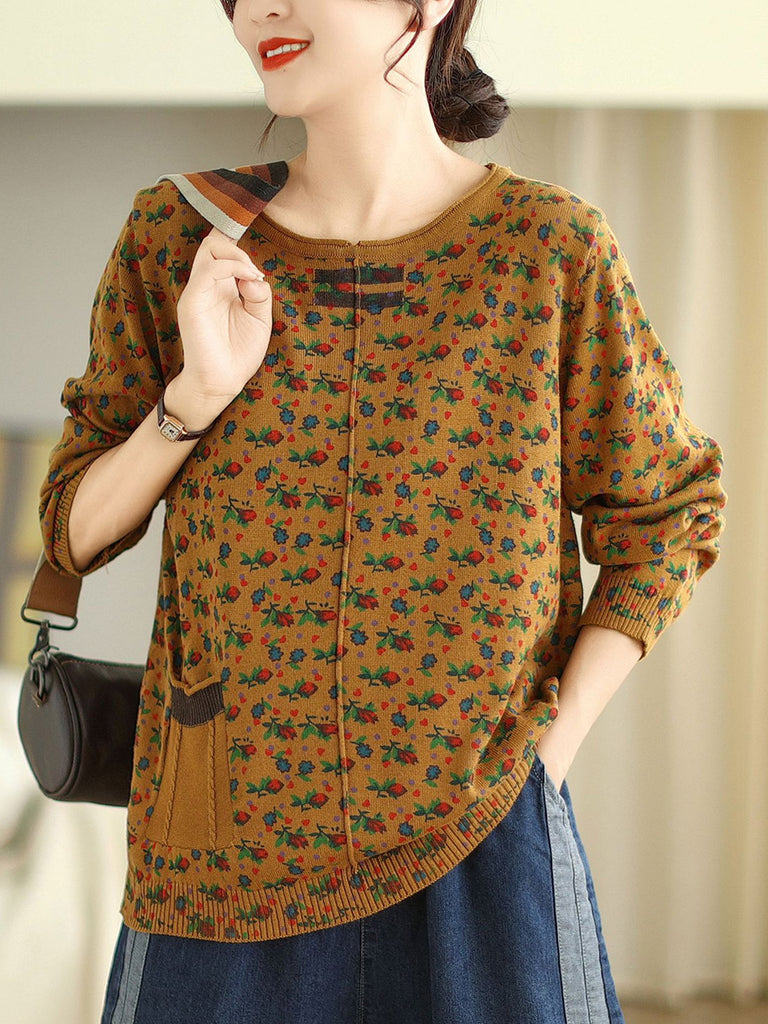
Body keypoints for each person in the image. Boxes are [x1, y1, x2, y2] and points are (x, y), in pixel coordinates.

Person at [39, 1, 727, 1022]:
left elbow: (668, 513)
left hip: (481, 843)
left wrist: (550, 753)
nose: (260, 7)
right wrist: (193, 398)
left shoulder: (548, 251)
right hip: (225, 860)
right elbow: (71, 529)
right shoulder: (179, 237)